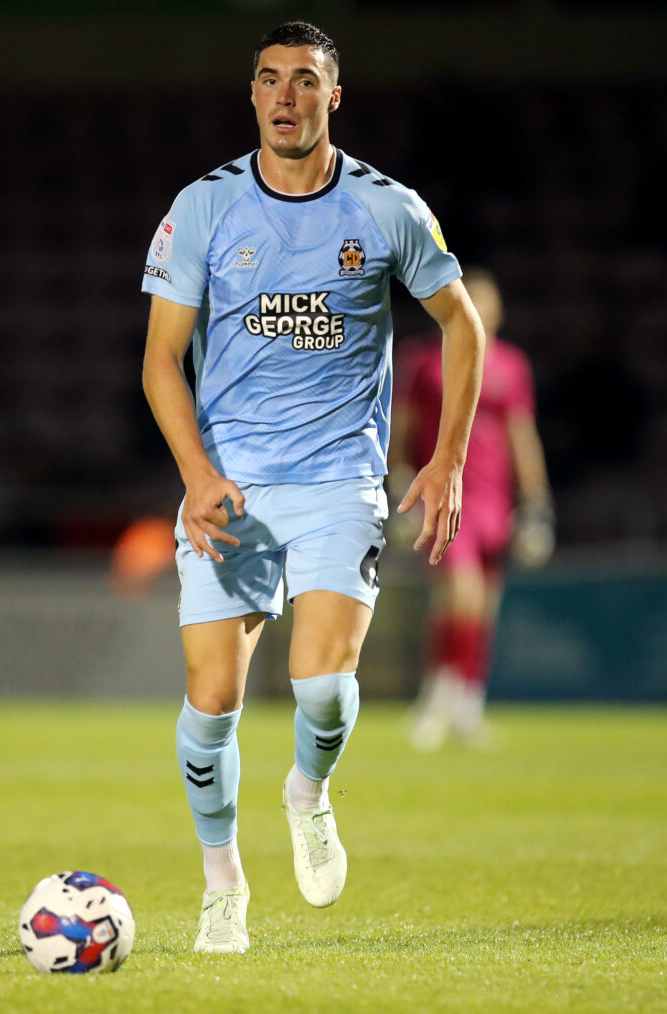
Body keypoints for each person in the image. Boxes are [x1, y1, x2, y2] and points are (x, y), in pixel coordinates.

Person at [141, 22, 485, 953]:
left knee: (325, 691)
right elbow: (161, 361)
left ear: (334, 98)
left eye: (304, 81)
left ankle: (308, 792)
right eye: (268, 81)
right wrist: (198, 475)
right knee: (212, 701)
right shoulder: (205, 209)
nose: (284, 97)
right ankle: (223, 886)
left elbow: (462, 328)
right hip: (233, 490)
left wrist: (447, 459)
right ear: (251, 95)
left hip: (340, 480)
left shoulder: (386, 210)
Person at [390, 267, 553, 750]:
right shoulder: (424, 360)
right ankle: (438, 699)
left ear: (499, 311)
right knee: (459, 596)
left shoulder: (511, 365)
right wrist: (398, 481)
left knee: (481, 606)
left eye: (486, 299)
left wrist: (537, 503)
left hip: (493, 499)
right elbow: (403, 426)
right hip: (445, 496)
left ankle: (465, 705)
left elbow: (521, 436)